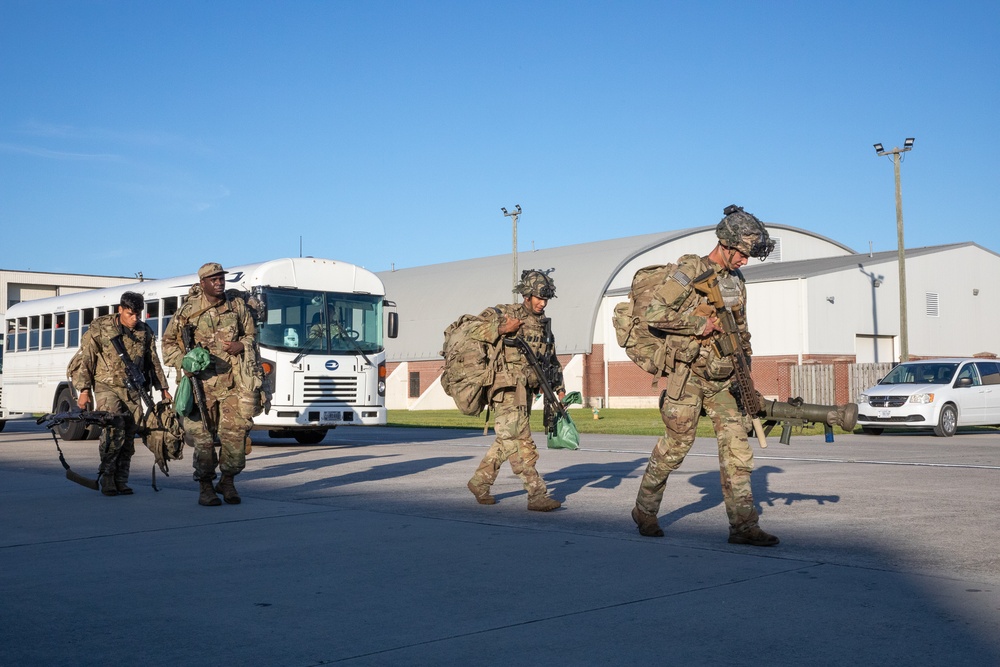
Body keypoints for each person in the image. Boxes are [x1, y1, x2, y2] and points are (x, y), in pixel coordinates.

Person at [630, 205, 780, 546]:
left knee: (737, 449)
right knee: (676, 447)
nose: (744, 261)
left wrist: (747, 377)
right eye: (741, 254)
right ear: (725, 245)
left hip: (723, 378)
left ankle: (743, 526)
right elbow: (656, 314)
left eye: (748, 256)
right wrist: (700, 324)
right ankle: (645, 510)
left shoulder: (737, 281)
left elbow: (742, 332)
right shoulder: (691, 269)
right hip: (688, 375)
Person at [466, 269, 563, 512]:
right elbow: (470, 330)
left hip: (526, 392)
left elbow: (549, 357)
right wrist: (500, 329)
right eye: (539, 298)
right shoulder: (506, 313)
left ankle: (479, 482)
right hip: (506, 389)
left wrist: (558, 386)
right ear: (527, 295)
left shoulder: (543, 325)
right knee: (522, 441)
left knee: (507, 440)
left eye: (546, 298)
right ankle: (537, 494)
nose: (543, 303)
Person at [162, 262, 257, 506]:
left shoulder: (237, 307)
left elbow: (251, 336)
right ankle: (205, 487)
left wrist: (241, 346)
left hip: (233, 385)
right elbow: (168, 343)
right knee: (203, 442)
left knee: (235, 440)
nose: (219, 282)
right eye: (213, 279)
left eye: (221, 278)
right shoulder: (188, 311)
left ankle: (227, 482)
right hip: (199, 388)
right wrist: (184, 363)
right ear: (202, 282)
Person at [71, 291, 171, 496]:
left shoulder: (144, 331)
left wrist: (164, 389)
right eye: (130, 314)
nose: (134, 319)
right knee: (113, 429)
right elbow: (87, 359)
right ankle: (107, 478)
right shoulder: (101, 327)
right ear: (120, 310)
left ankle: (121, 480)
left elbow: (153, 360)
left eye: (138, 314)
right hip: (106, 386)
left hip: (133, 389)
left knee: (128, 435)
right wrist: (83, 390)